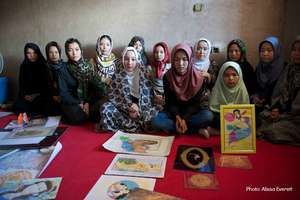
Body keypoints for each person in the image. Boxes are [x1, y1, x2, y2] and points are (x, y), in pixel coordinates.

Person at [151, 43, 213, 137]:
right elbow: (169, 102)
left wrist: (184, 119)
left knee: (208, 116)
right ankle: (195, 130)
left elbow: (195, 105)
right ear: (172, 60)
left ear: (190, 60)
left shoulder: (198, 78)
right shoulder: (168, 77)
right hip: (173, 113)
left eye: (184, 59)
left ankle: (176, 128)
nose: (180, 64)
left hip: (191, 113)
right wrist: (178, 118)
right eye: (176, 59)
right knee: (156, 121)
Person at [100, 47, 159, 132]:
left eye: (133, 59)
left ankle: (133, 125)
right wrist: (129, 106)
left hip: (142, 108)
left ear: (137, 60)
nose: (130, 62)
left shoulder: (144, 73)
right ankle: (134, 126)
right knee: (105, 108)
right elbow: (113, 97)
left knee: (157, 109)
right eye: (127, 59)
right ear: (123, 59)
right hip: (124, 109)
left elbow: (149, 96)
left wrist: (138, 108)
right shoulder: (118, 74)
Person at [257, 38, 300, 146]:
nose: (296, 53)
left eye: (299, 50)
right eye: (294, 50)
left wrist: (282, 115)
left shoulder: (281, 67)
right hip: (283, 111)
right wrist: (277, 108)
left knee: (273, 130)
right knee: (261, 118)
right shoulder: (289, 68)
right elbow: (280, 92)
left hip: (295, 117)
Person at [45, 41, 87, 124]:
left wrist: (84, 102)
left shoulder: (66, 66)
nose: (54, 55)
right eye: (51, 52)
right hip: (63, 97)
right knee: (78, 117)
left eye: (56, 52)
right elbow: (63, 91)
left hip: (77, 97)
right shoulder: (46, 68)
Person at [65, 38, 105, 122]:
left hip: (91, 99)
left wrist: (87, 102)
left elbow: (97, 87)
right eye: (70, 50)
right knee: (77, 116)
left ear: (81, 51)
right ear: (67, 53)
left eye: (76, 49)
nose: (74, 53)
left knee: (100, 111)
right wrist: (79, 103)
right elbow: (67, 92)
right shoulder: (65, 68)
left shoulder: (89, 65)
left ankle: (88, 114)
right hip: (75, 102)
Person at [12, 43, 57, 117]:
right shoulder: (24, 66)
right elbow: (22, 84)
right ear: (25, 54)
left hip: (41, 95)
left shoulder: (44, 65)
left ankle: (33, 112)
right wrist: (26, 95)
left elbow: (48, 87)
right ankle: (34, 112)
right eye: (29, 53)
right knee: (17, 106)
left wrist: (35, 95)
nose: (32, 55)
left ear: (38, 53)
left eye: (34, 53)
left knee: (49, 105)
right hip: (28, 97)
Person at [209, 61, 249, 132]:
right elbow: (213, 109)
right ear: (221, 76)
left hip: (238, 117)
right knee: (210, 117)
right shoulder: (218, 88)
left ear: (239, 76)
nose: (231, 78)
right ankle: (228, 130)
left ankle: (219, 132)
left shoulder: (242, 89)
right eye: (227, 75)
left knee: (254, 119)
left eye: (234, 75)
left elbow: (246, 111)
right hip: (221, 117)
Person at [251, 36, 284, 114]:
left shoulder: (284, 69)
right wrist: (255, 97)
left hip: (275, 107)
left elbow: (284, 93)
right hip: (258, 104)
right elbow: (254, 87)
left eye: (269, 50)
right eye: (262, 50)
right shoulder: (259, 68)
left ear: (277, 51)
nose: (265, 53)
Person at [146, 42, 171, 109]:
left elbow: (173, 84)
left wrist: (166, 95)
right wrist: (154, 95)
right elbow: (148, 84)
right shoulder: (150, 68)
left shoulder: (170, 67)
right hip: (154, 95)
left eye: (161, 52)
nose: (158, 55)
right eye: (156, 52)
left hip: (167, 94)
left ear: (165, 53)